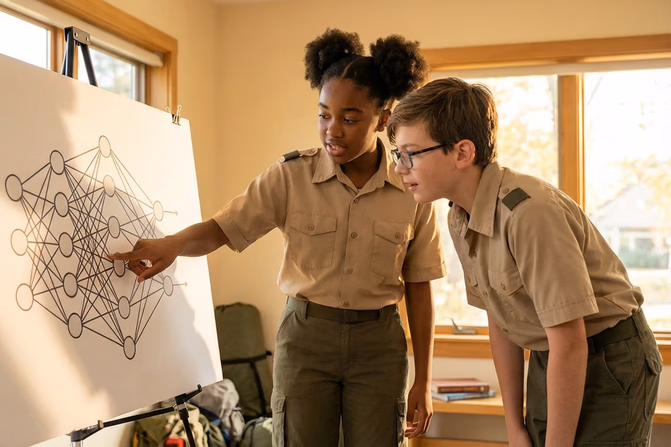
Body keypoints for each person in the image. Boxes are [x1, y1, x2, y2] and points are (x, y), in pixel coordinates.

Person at [108, 28, 446, 446]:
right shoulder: (290, 176)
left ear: (383, 119)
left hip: (379, 346)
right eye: (324, 114)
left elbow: (419, 284)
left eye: (350, 118)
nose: (332, 130)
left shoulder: (412, 188)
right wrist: (172, 244)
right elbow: (221, 228)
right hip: (305, 340)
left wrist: (424, 380)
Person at [387, 77, 663, 447]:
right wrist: (514, 427)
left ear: (462, 153)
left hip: (608, 357)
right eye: (397, 154)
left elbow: (570, 341)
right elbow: (503, 319)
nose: (400, 168)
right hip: (552, 357)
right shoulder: (459, 216)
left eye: (410, 154)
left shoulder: (529, 213)